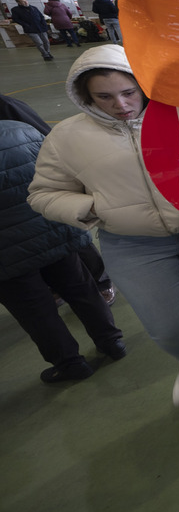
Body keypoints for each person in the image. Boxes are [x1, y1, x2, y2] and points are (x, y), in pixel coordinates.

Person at [27, 45, 179, 408]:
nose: (121, 104)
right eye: (105, 96)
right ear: (85, 96)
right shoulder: (66, 138)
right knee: (167, 326)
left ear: (142, 84)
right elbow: (43, 194)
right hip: (131, 244)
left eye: (129, 92)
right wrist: (91, 206)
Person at [2, 119, 125, 383]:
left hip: (8, 254)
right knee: (81, 288)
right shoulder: (19, 130)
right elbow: (61, 176)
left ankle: (70, 364)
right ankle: (111, 341)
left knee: (35, 310)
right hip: (53, 231)